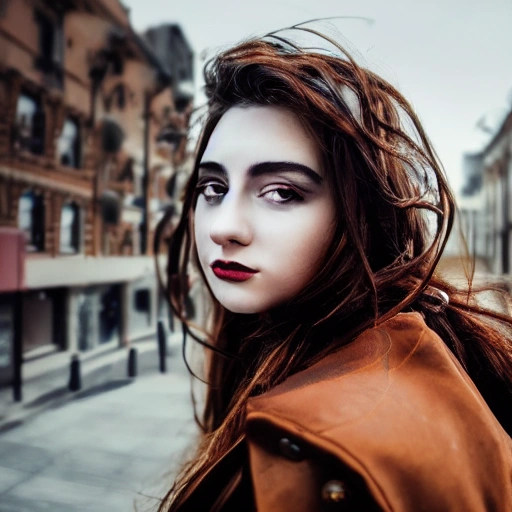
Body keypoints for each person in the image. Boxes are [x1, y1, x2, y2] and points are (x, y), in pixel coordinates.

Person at [155, 25, 512, 511]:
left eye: (281, 192)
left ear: (359, 215)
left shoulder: (339, 454)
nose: (224, 227)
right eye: (213, 189)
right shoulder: (305, 356)